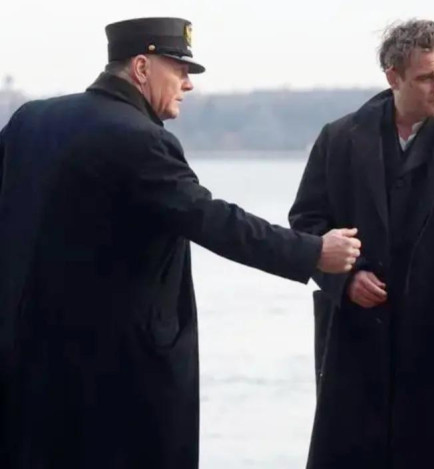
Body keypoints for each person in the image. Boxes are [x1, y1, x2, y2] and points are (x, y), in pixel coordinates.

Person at [0, 17, 360, 469]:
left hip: (26, 367)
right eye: (180, 69)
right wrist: (314, 252)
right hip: (116, 381)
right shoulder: (139, 139)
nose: (188, 84)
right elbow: (214, 221)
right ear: (141, 67)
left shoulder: (30, 120)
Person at [289, 19, 434, 469]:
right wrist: (345, 280)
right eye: (427, 77)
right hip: (355, 348)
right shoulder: (338, 140)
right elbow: (307, 224)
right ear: (393, 77)